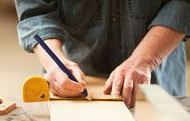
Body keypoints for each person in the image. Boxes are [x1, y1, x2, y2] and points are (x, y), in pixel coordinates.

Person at [15, 0, 190, 107]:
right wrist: (55, 63)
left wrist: (145, 60)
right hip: (77, 82)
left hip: (158, 76)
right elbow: (36, 11)